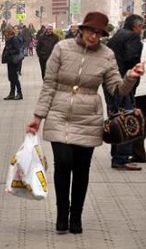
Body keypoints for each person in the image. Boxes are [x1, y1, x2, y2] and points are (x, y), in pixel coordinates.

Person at [26, 12, 144, 235]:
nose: (94, 36)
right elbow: (49, 84)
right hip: (59, 113)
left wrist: (130, 76)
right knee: (63, 162)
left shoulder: (107, 55)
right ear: (82, 29)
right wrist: (38, 117)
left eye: (99, 33)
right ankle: (62, 213)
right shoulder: (62, 48)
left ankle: (76, 217)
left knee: (81, 168)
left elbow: (116, 89)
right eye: (91, 31)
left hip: (89, 116)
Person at [104, 14, 145, 171]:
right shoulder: (133, 38)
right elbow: (131, 59)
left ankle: (116, 154)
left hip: (110, 82)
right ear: (136, 26)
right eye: (141, 26)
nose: (142, 30)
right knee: (127, 119)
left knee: (116, 117)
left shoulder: (118, 35)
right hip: (123, 83)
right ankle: (121, 158)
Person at [133, 39, 146, 163]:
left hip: (140, 90)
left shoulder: (140, 45)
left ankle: (139, 154)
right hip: (141, 88)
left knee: (139, 122)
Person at [2, 25, 24, 100]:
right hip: (10, 60)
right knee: (11, 77)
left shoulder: (14, 39)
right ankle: (12, 93)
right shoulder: (9, 39)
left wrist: (9, 51)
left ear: (8, 32)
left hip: (14, 61)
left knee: (14, 78)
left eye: (5, 33)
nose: (4, 34)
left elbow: (17, 49)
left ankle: (19, 93)